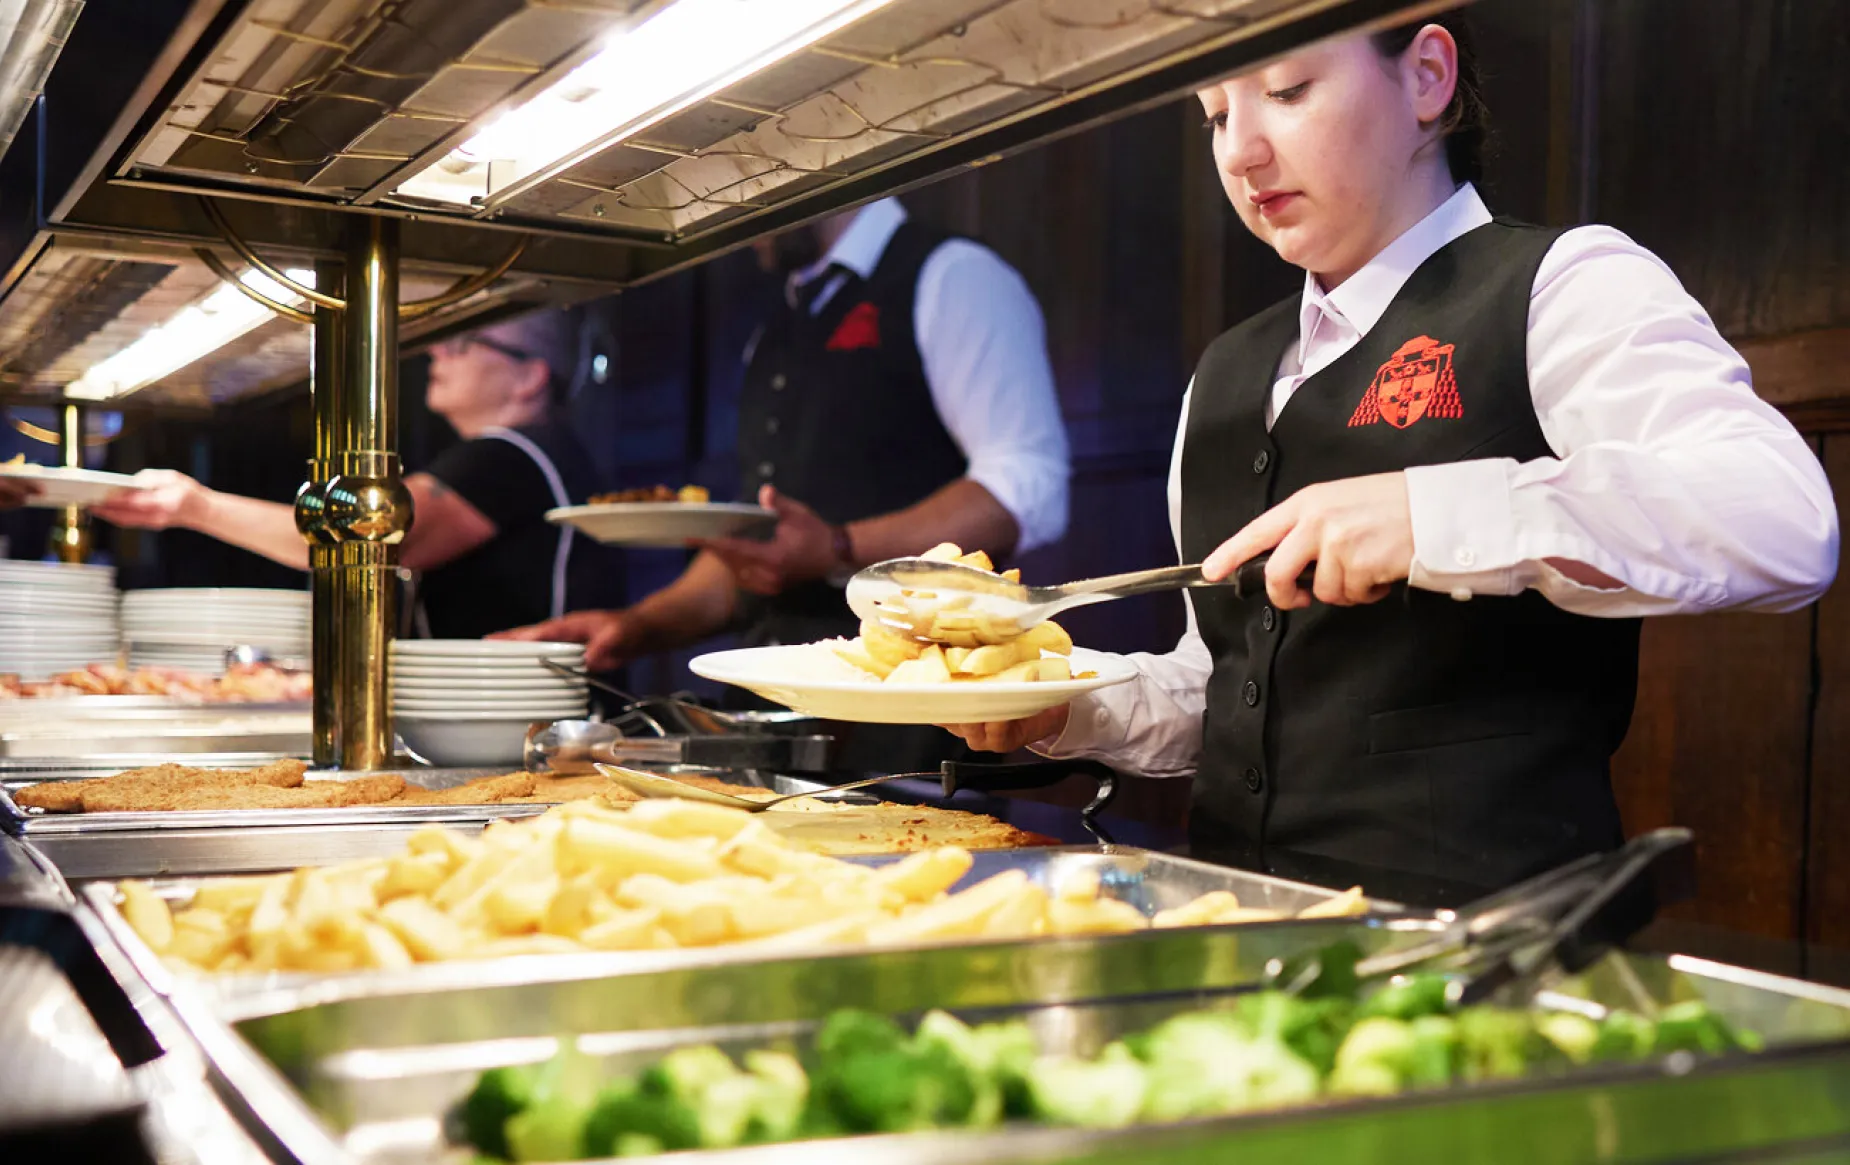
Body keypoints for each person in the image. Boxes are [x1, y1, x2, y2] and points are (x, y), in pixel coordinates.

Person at [943, 15, 1838, 897]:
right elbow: (1230, 685)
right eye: (1216, 114)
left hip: (1482, 953)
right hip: (1236, 931)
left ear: (1426, 78)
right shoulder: (1223, 374)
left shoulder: (1563, 284)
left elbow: (1783, 520)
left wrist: (1432, 515)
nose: (1240, 152)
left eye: (1286, 91)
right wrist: (1058, 704)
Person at [499, 197, 1069, 766]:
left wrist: (838, 548)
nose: (737, 224)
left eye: (747, 195)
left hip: (913, 717)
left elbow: (1025, 487)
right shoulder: (776, 326)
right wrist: (636, 627)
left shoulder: (954, 275)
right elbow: (757, 548)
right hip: (776, 715)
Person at [91, 310, 621, 639]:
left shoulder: (508, 456)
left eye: (464, 343)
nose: (438, 350)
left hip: (528, 720)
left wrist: (196, 506)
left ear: (529, 376)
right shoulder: (529, 452)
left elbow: (368, 535)